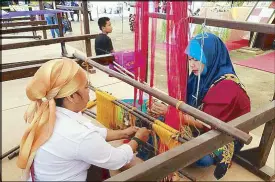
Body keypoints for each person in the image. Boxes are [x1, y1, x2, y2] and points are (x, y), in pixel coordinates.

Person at [16, 58, 151, 181]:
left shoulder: (48, 113)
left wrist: (123, 133)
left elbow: (92, 132)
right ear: (72, 96)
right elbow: (116, 159)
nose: (89, 92)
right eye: (86, 87)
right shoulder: (77, 134)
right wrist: (137, 140)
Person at [151, 33, 251, 179]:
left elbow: (207, 123)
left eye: (197, 60)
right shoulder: (200, 76)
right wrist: (165, 108)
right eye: (190, 59)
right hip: (205, 121)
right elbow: (182, 102)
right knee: (158, 121)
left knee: (202, 158)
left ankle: (222, 152)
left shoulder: (227, 87)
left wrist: (171, 113)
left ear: (211, 57)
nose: (192, 65)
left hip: (225, 133)